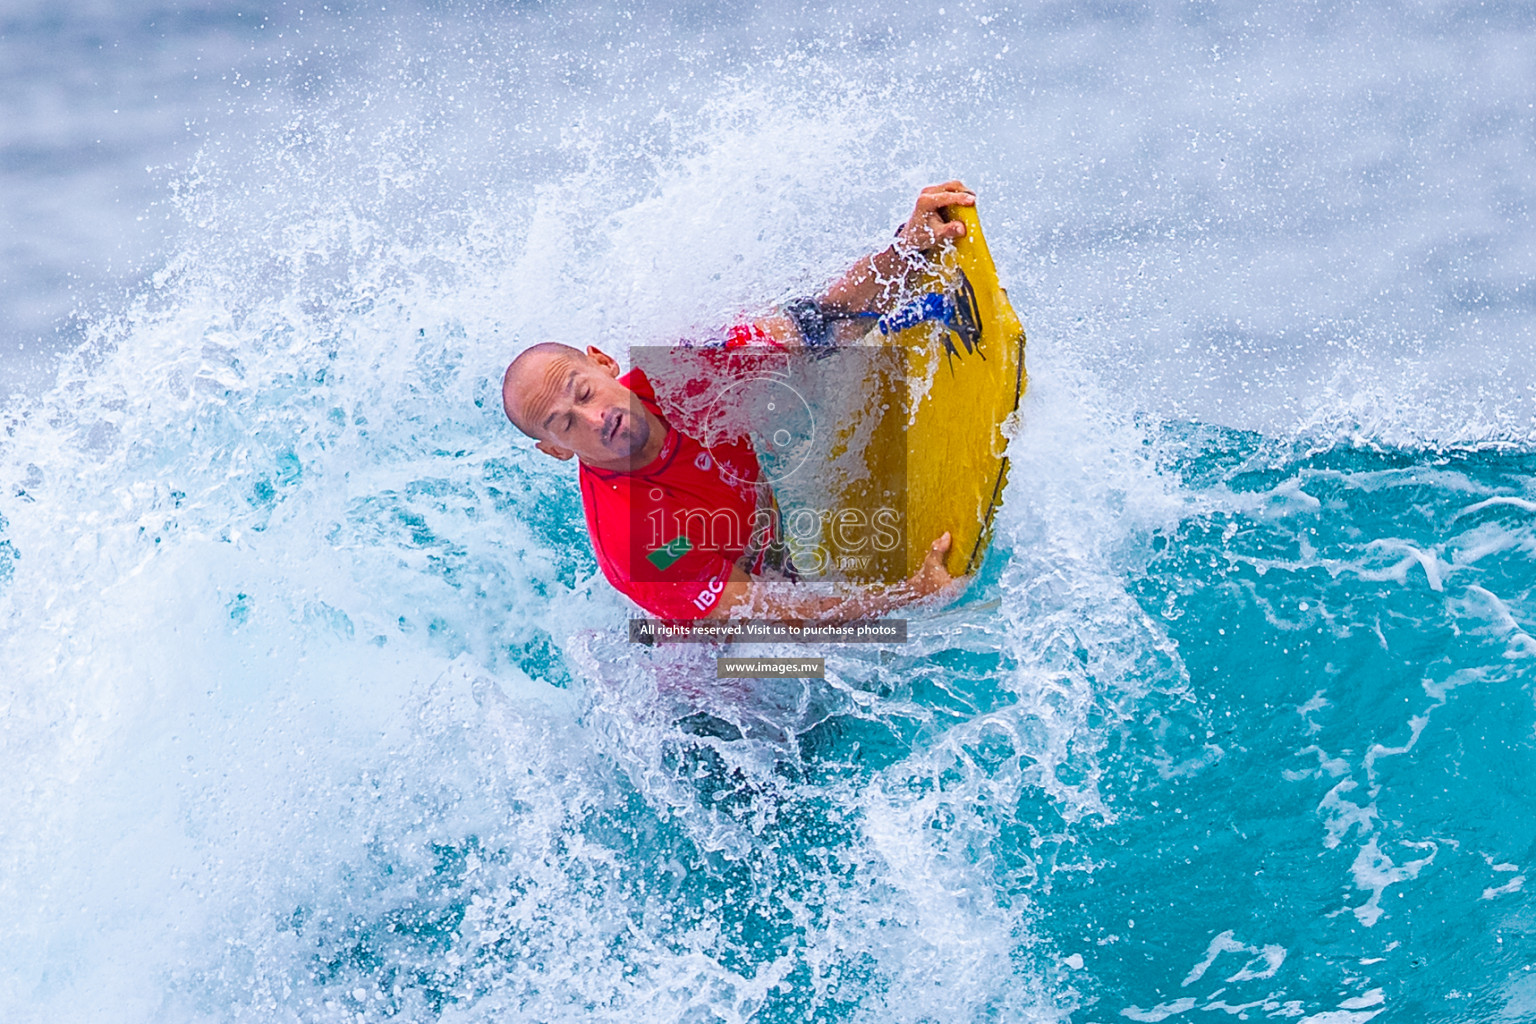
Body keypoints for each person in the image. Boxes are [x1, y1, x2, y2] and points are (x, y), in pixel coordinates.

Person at [501, 182, 977, 622]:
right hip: (720, 666)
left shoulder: (686, 373)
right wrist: (909, 594)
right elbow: (777, 617)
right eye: (565, 424)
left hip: (765, 541)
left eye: (584, 393)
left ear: (603, 363)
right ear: (556, 450)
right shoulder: (636, 540)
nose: (595, 418)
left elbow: (825, 322)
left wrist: (906, 251)